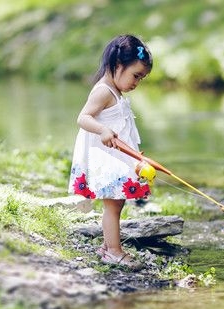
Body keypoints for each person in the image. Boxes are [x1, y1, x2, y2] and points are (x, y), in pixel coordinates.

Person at [68, 34, 153, 270]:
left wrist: (134, 152)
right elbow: (83, 118)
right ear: (117, 65)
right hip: (105, 157)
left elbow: (123, 127)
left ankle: (108, 245)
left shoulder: (116, 92)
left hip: (117, 155)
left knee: (117, 202)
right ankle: (113, 251)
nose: (137, 82)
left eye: (141, 78)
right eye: (135, 75)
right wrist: (102, 130)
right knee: (113, 204)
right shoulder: (103, 91)